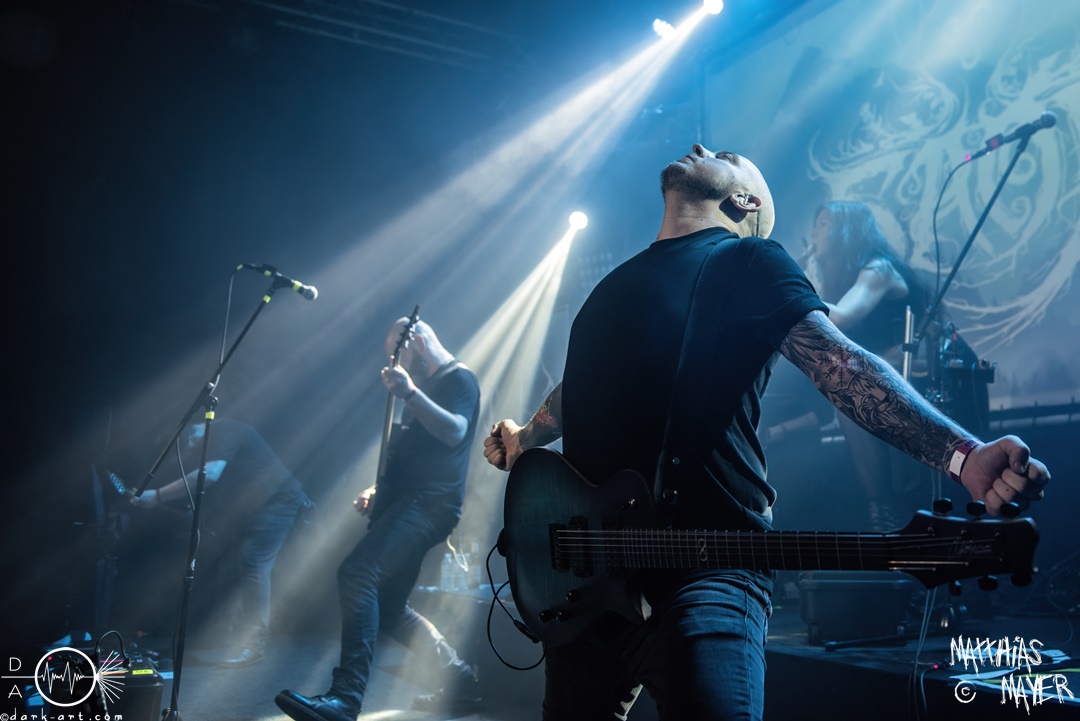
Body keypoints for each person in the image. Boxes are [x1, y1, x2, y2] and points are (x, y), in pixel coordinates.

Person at [482, 144, 1050, 721]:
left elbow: (842, 367)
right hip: (590, 587)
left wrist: (963, 454)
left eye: (726, 156)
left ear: (744, 200)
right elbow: (579, 390)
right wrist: (526, 437)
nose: (702, 147)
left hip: (704, 575)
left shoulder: (748, 260)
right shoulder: (614, 285)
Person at [276, 318, 483, 721]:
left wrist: (410, 393)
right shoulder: (428, 386)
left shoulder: (459, 379)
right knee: (389, 607)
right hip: (409, 501)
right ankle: (462, 683)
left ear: (417, 342)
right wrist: (379, 489)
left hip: (429, 505)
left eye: (397, 354)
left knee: (357, 573)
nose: (394, 364)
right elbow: (413, 458)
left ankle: (345, 698)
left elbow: (455, 431)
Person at [130, 417, 309, 668]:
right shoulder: (209, 445)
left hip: (278, 501)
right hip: (254, 509)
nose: (187, 452)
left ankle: (254, 645)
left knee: (253, 561)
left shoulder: (224, 430)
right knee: (234, 566)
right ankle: (226, 637)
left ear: (191, 435)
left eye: (186, 445)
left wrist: (158, 496)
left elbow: (210, 475)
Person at [807, 200, 930, 530]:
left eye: (823, 224)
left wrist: (790, 291)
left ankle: (883, 512)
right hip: (882, 376)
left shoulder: (878, 269)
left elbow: (842, 316)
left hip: (914, 374)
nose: (814, 232)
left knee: (848, 393)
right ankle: (879, 513)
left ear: (846, 231)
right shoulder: (845, 277)